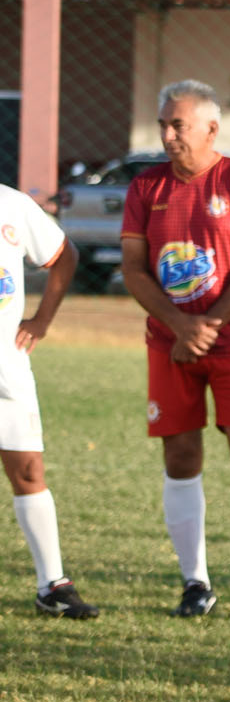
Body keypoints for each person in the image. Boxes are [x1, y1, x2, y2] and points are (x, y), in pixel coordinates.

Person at [118, 80, 230, 623]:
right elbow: (134, 269)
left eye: (179, 125)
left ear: (211, 129)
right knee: (180, 459)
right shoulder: (146, 187)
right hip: (170, 346)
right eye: (163, 125)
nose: (168, 135)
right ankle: (196, 583)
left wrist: (210, 324)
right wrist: (178, 326)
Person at [0, 182, 98, 618]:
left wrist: (42, 319)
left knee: (28, 471)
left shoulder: (11, 204)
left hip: (7, 367)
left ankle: (52, 586)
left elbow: (63, 255)